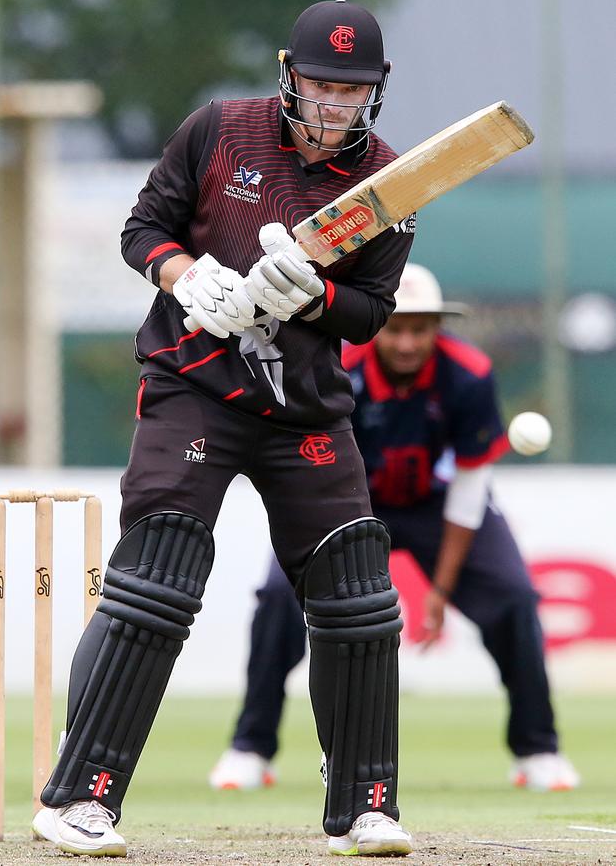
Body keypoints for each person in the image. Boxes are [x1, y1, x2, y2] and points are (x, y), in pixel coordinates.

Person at [31, 1, 416, 858]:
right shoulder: (221, 132)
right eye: (318, 84)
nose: (331, 105)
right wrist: (185, 276)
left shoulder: (387, 183)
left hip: (304, 410)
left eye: (349, 92)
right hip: (194, 383)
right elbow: (143, 228)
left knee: (357, 592)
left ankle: (366, 805)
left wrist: (312, 296)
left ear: (374, 94)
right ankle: (80, 797)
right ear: (289, 75)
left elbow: (369, 314)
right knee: (159, 576)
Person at [210, 263, 580, 794]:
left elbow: (471, 486)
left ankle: (538, 748)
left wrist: (441, 590)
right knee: (277, 597)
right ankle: (251, 747)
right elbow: (306, 460)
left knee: (516, 598)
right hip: (344, 501)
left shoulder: (469, 374)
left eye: (420, 328)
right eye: (397, 327)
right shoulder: (339, 366)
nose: (407, 342)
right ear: (378, 325)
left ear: (438, 329)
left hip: (437, 504)